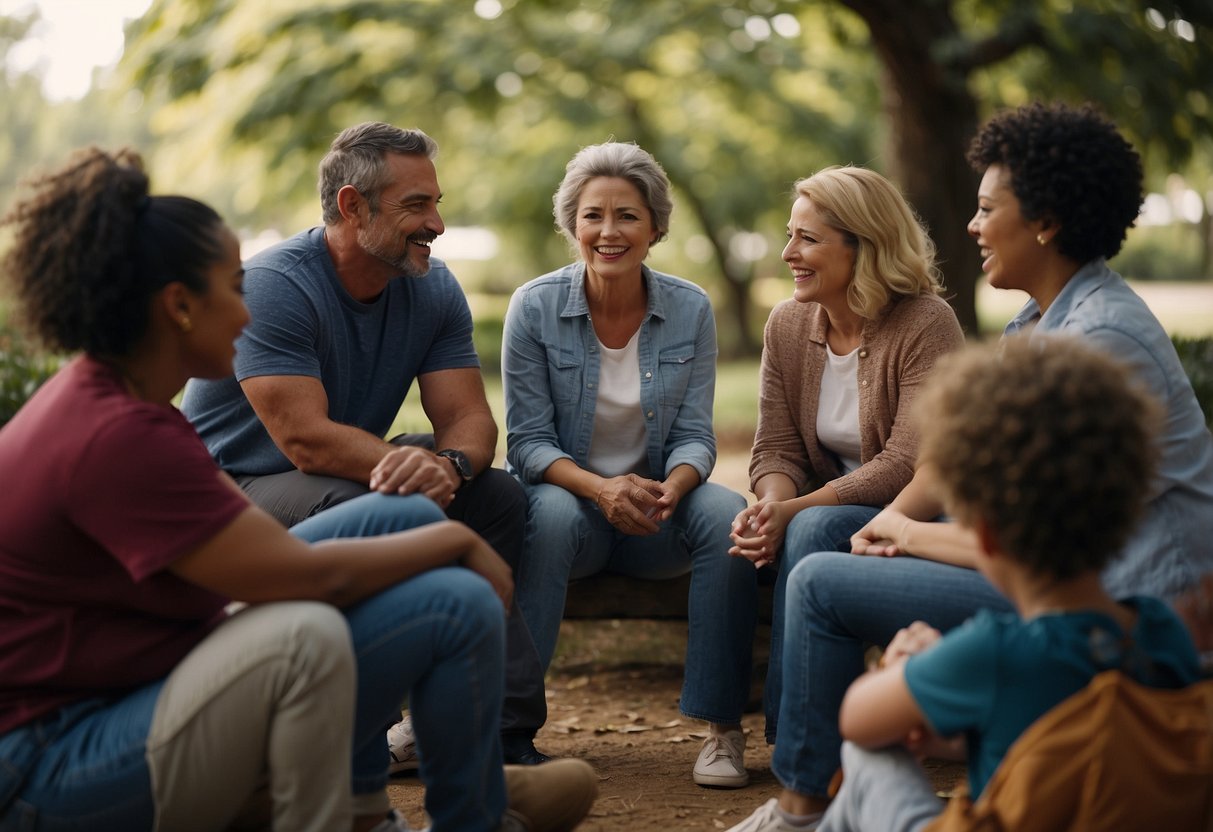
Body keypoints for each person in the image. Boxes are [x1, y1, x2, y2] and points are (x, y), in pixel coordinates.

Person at [0, 148, 597, 832]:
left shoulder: (115, 405)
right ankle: (359, 812)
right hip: (50, 766)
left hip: (132, 703)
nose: (247, 314)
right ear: (179, 307)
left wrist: (445, 524)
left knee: (435, 583)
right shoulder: (114, 433)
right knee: (305, 632)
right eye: (233, 287)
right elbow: (300, 578)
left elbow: (301, 565)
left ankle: (471, 811)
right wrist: (453, 541)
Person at [729, 102, 1213, 830]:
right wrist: (894, 520)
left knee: (822, 582)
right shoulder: (1046, 323)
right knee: (829, 541)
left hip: (1108, 597)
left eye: (987, 209)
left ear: (1044, 220)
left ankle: (801, 806)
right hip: (1090, 595)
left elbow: (1028, 543)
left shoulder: (1094, 343)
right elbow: (963, 481)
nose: (970, 225)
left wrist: (906, 534)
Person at [181, 122, 550, 766]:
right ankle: (367, 733)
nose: (436, 221)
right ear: (353, 207)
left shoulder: (432, 287)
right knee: (370, 503)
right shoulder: (275, 286)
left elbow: (470, 419)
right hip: (230, 489)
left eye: (436, 202)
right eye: (417, 205)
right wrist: (407, 470)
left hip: (340, 473)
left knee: (495, 496)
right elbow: (306, 442)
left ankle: (497, 728)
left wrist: (450, 465)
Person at [739, 336, 1202, 832]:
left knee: (870, 758)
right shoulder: (1163, 633)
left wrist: (902, 667)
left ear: (981, 532)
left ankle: (797, 820)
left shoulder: (992, 652)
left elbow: (856, 719)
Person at [502, 142, 758, 788]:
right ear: (571, 225)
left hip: (656, 520)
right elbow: (527, 444)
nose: (608, 232)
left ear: (655, 227)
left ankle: (721, 729)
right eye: (592, 216)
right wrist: (601, 489)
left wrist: (673, 487)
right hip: (577, 518)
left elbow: (697, 435)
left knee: (726, 512)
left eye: (626, 216)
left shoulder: (690, 308)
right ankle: (510, 729)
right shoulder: (532, 308)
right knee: (554, 511)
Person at [727, 166, 964, 743]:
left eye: (807, 238)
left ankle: (794, 736)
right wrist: (772, 507)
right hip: (826, 509)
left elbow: (908, 458)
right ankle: (727, 726)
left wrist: (799, 511)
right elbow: (776, 447)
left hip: (917, 510)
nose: (788, 253)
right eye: (790, 234)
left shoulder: (926, 323)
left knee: (811, 528)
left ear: (865, 247)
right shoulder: (788, 323)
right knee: (740, 533)